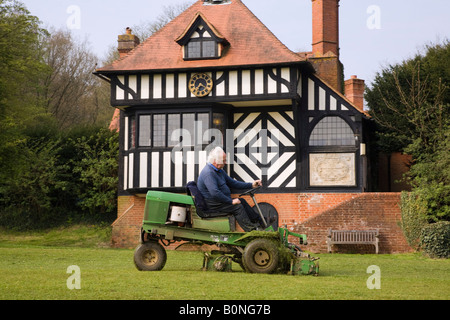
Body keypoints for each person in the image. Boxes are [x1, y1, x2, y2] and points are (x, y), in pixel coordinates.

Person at [197, 147, 263, 232]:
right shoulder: (208, 173)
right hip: (213, 204)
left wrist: (251, 185)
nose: (225, 162)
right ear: (216, 161)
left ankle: (259, 222)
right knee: (237, 207)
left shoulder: (219, 171)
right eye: (223, 160)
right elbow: (215, 193)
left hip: (219, 201)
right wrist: (230, 201)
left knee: (241, 201)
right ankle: (251, 231)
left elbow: (232, 183)